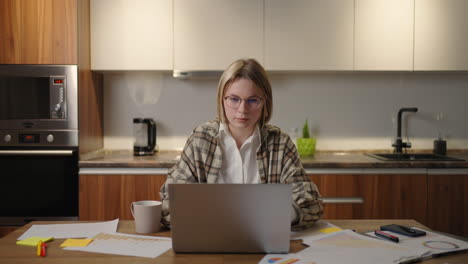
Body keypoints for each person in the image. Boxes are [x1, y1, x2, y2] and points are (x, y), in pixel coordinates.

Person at [159, 58, 323, 230]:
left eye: (252, 100)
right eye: (234, 99)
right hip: (210, 238)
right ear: (222, 99)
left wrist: (280, 214)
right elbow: (170, 200)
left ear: (265, 102)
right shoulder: (201, 140)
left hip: (265, 242)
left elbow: (311, 200)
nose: (242, 109)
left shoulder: (280, 143)